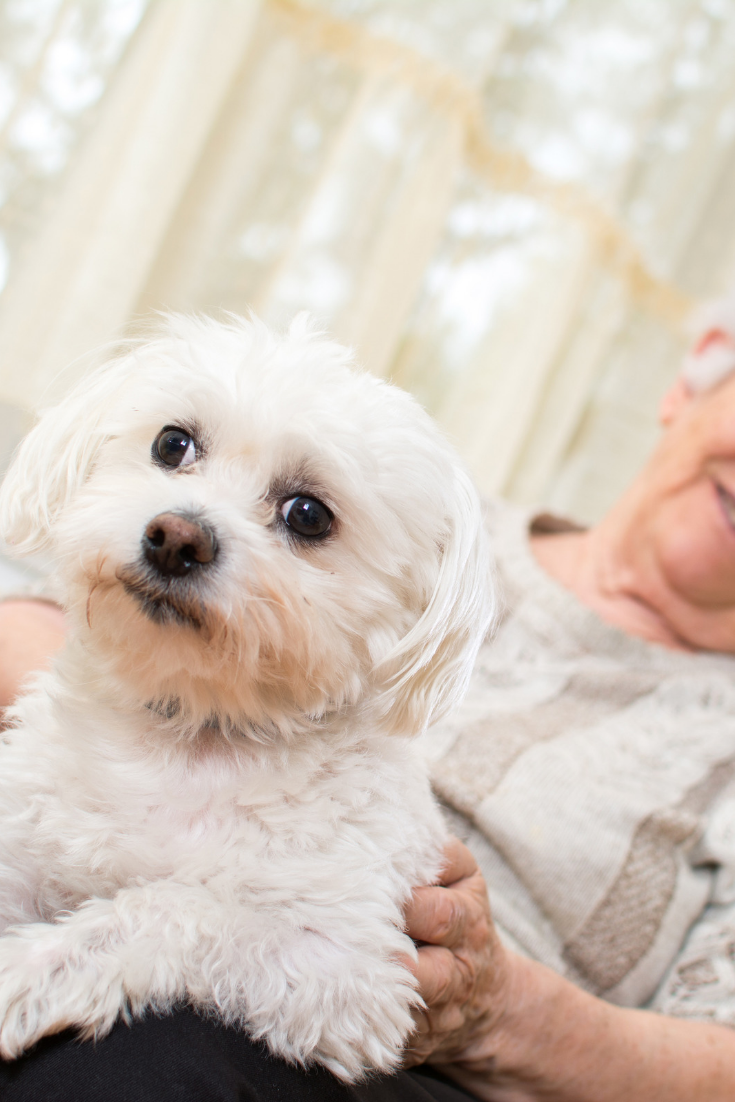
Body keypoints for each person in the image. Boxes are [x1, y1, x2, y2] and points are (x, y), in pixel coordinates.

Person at [4, 301, 735, 1100]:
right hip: (104, 779)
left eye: (303, 519)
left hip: (413, 1053)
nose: (187, 526)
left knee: (144, 1057)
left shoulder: (426, 550)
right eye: (177, 449)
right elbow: (35, 616)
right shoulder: (428, 501)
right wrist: (144, 755)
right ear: (701, 368)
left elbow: (356, 984)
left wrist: (499, 1006)